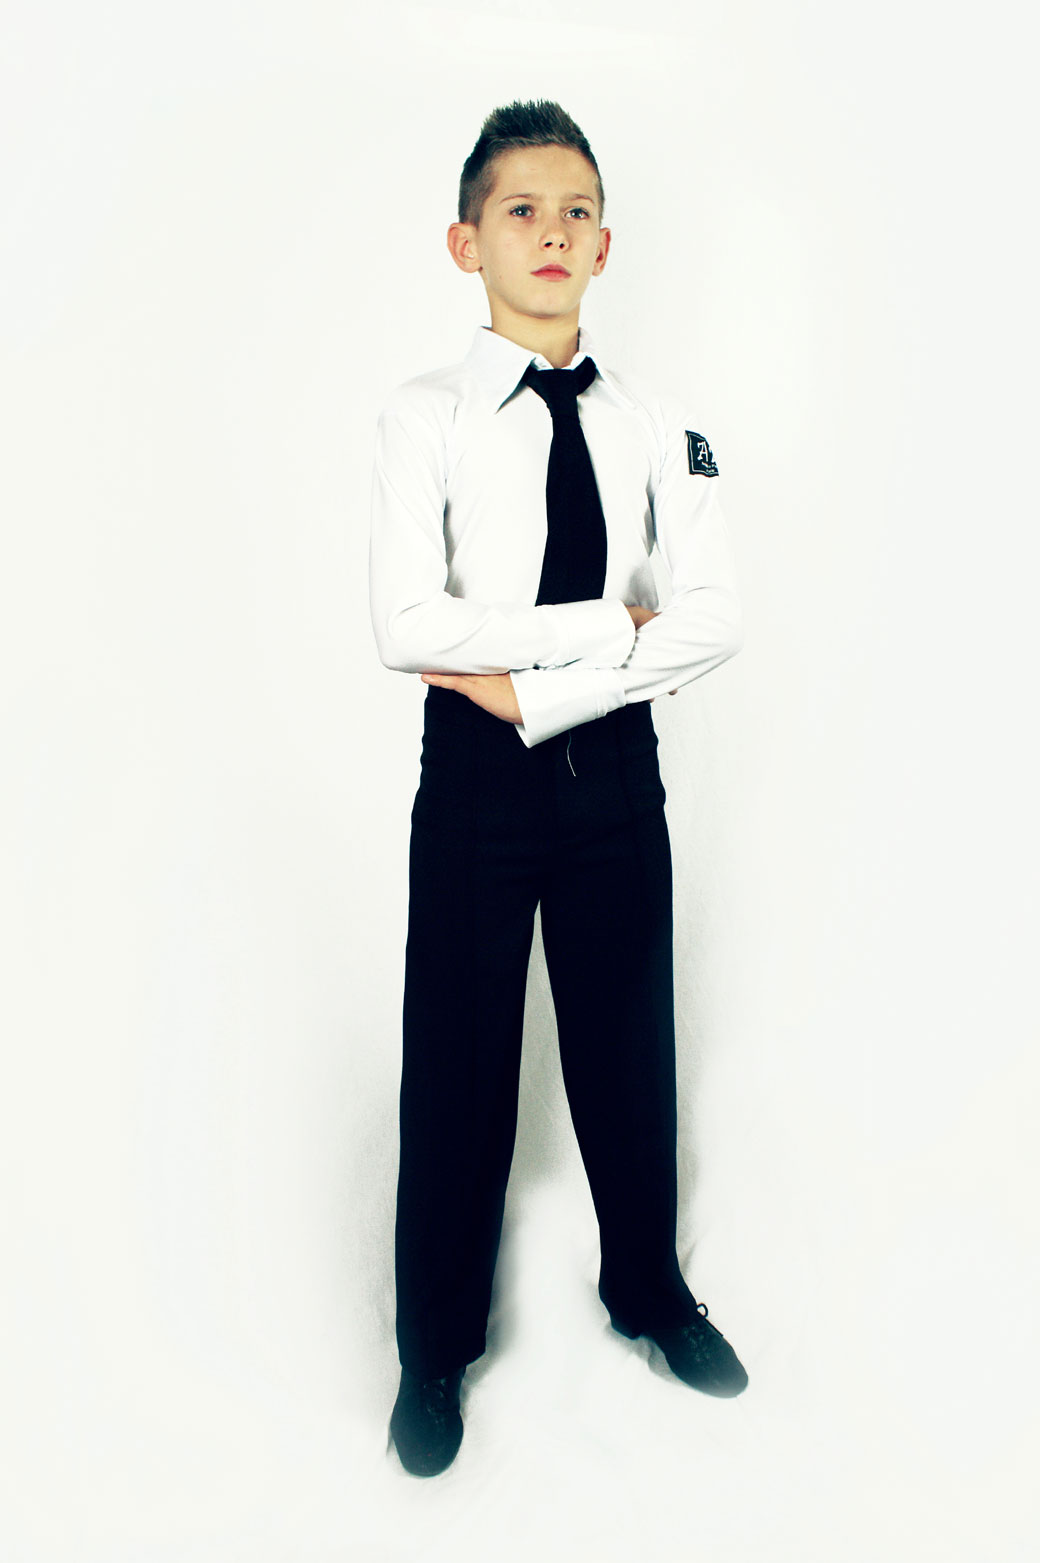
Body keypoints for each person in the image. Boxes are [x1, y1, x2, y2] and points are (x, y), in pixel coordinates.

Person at [368, 99, 747, 1478]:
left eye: (576, 210)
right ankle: (433, 1349)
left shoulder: (660, 423)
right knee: (457, 1064)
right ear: (465, 242)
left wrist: (532, 686)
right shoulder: (424, 418)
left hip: (611, 782)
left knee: (627, 1049)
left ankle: (646, 1288)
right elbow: (407, 624)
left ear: (605, 244)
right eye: (520, 210)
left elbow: (714, 619)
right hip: (473, 787)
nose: (551, 231)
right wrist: (602, 632)